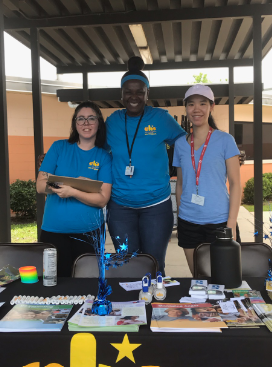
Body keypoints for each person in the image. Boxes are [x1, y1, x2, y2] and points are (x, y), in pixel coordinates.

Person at [106, 56, 185, 275]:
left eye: (139, 91)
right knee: (128, 264)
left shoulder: (161, 118)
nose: (134, 96)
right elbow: (92, 150)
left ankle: (155, 305)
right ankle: (133, 307)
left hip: (156, 207)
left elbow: (187, 146)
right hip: (120, 207)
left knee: (154, 263)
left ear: (147, 94)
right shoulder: (112, 121)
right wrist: (58, 161)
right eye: (128, 91)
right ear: (121, 94)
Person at [36, 101, 112, 277]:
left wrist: (73, 192)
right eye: (81, 119)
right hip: (54, 230)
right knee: (55, 286)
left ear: (99, 122)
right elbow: (40, 185)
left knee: (88, 285)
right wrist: (68, 186)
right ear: (75, 123)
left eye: (91, 118)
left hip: (89, 232)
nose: (86, 123)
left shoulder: (104, 156)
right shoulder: (58, 147)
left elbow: (102, 199)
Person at [173, 84, 241, 275]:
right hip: (188, 222)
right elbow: (180, 183)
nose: (197, 109)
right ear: (186, 108)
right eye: (191, 104)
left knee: (224, 279)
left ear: (211, 107)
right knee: (198, 280)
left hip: (220, 222)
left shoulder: (225, 140)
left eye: (203, 103)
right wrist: (180, 215)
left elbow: (236, 184)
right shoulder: (180, 144)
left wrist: (231, 223)